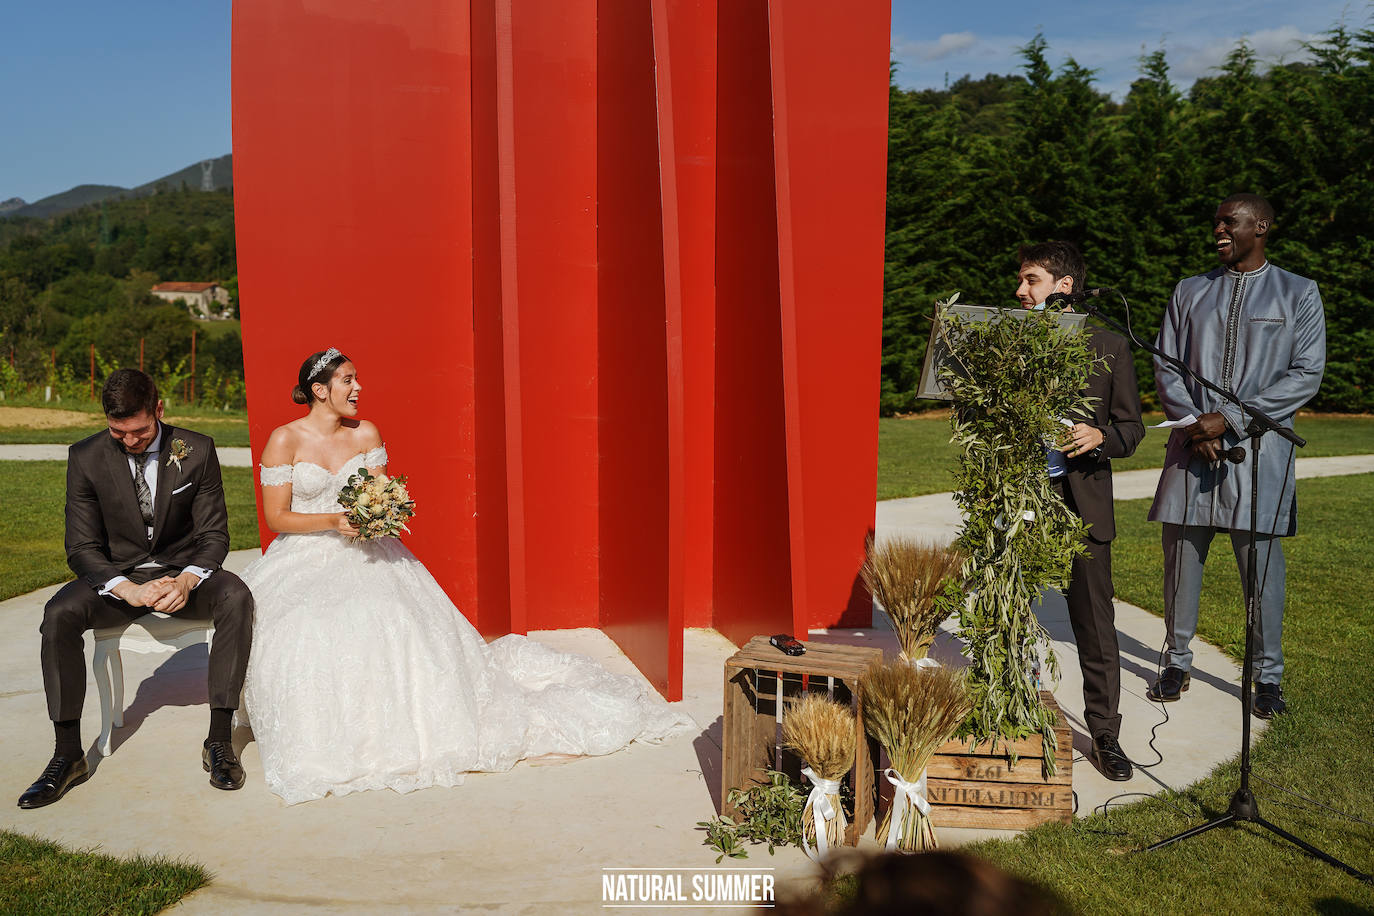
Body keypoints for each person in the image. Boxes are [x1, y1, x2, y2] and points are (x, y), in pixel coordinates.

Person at [241, 348, 692, 804]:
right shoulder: (285, 440)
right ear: (320, 390)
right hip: (307, 552)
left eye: (357, 380)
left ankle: (411, 728)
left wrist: (380, 515)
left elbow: (383, 494)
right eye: (348, 381)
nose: (358, 389)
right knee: (304, 627)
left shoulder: (367, 433)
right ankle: (332, 736)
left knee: (395, 614)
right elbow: (277, 517)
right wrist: (334, 520)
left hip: (371, 549)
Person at [18, 370, 254, 809]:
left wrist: (187, 580)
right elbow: (82, 547)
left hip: (181, 574)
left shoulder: (196, 449)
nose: (129, 441)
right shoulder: (86, 457)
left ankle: (219, 741)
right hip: (119, 581)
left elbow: (214, 536)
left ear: (159, 410)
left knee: (236, 596)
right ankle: (67, 755)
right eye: (118, 432)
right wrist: (125, 590)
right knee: (59, 614)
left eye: (140, 431)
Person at [1147, 194, 1325, 718]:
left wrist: (1230, 421)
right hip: (1190, 446)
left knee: (1262, 568)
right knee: (1179, 560)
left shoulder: (1299, 292)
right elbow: (1166, 364)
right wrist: (1197, 426)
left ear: (1261, 226)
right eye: (1217, 223)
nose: (1218, 230)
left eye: (1230, 222)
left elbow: (1305, 373)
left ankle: (1267, 676)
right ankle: (1176, 661)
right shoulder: (1189, 290)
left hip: (1261, 451)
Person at [1015, 241, 1144, 781]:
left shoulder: (1111, 344)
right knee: (1009, 614)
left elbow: (1132, 429)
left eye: (1032, 280)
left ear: (1063, 286)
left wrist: (1102, 435)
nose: (1020, 291)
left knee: (1094, 624)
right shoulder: (1007, 342)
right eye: (1021, 281)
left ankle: (1106, 734)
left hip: (1082, 503)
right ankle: (1008, 715)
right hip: (1018, 500)